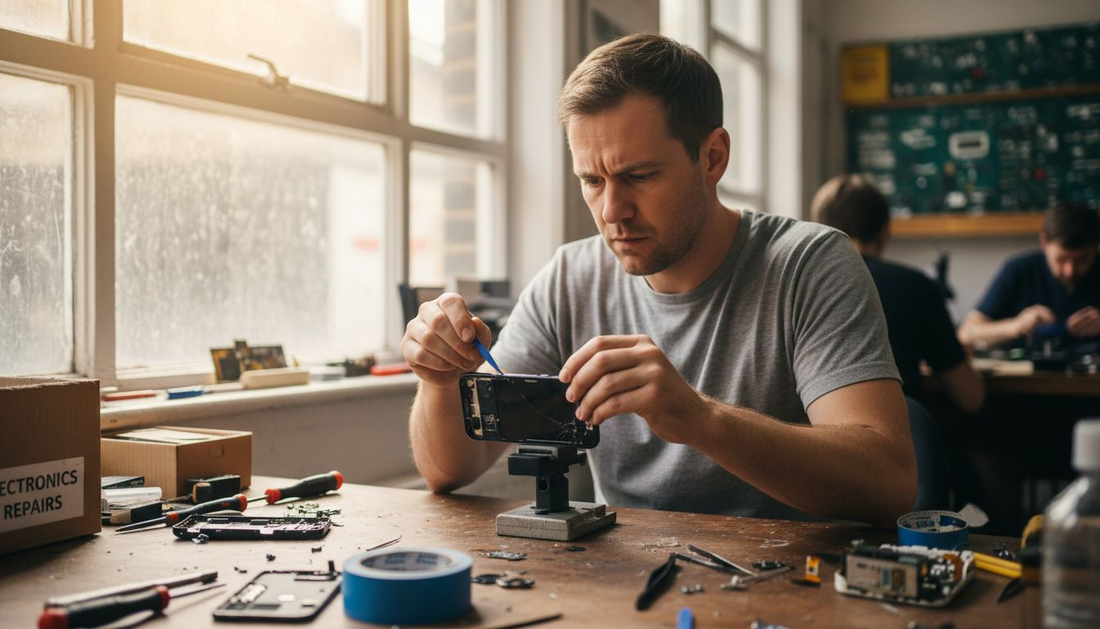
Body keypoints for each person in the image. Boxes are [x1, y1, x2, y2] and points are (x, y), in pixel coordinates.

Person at [402, 33, 916, 527]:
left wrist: (700, 419)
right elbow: (449, 470)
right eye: (591, 180)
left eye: (640, 176)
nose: (612, 210)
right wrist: (441, 380)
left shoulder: (810, 263)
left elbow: (890, 483)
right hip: (628, 587)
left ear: (713, 158)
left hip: (789, 590)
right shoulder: (570, 278)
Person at [810, 174, 984, 413]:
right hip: (902, 438)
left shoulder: (806, 285)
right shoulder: (917, 286)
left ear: (820, 228)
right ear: (884, 231)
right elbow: (970, 396)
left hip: (815, 442)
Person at [957, 204, 1100, 349]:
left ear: (1096, 247)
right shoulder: (1019, 269)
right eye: (1061, 259)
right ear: (1044, 242)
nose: (1070, 271)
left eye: (1082, 260)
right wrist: (1017, 326)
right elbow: (966, 333)